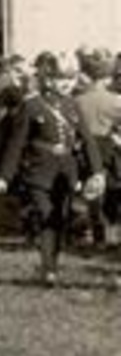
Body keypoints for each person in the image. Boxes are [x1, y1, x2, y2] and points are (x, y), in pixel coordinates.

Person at [0, 52, 104, 286]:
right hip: (38, 172)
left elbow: (88, 141)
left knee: (59, 219)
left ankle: (49, 264)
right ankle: (48, 269)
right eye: (60, 78)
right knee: (46, 214)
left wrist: (97, 171)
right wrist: (4, 175)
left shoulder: (74, 105)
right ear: (48, 79)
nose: (66, 83)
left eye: (71, 78)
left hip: (66, 173)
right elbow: (16, 143)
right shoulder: (32, 106)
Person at [72, 50, 121, 246]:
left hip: (85, 146)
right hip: (106, 145)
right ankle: (105, 230)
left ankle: (89, 230)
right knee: (109, 189)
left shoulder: (78, 100)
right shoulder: (115, 101)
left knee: (88, 190)